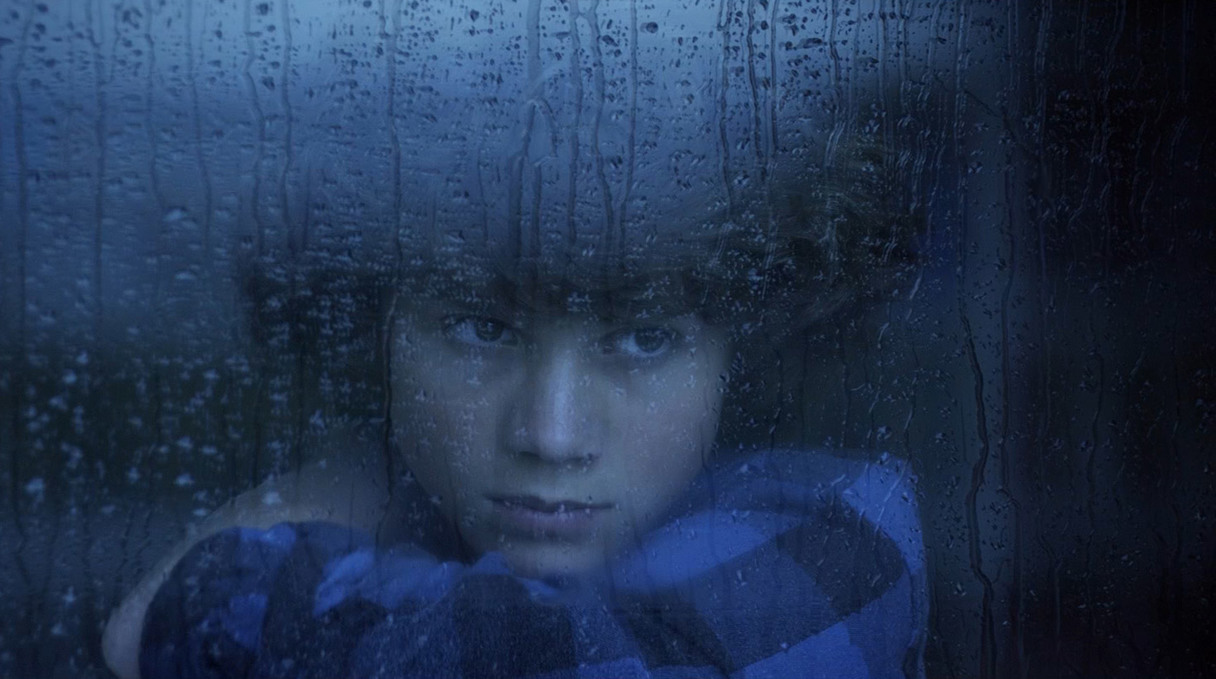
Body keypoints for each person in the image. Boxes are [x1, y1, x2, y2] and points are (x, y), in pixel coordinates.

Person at [102, 4, 928, 677]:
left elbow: (559, 662)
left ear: (741, 353)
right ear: (375, 329)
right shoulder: (407, 529)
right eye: (480, 328)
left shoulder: (844, 535)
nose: (551, 433)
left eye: (642, 339)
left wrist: (219, 590)